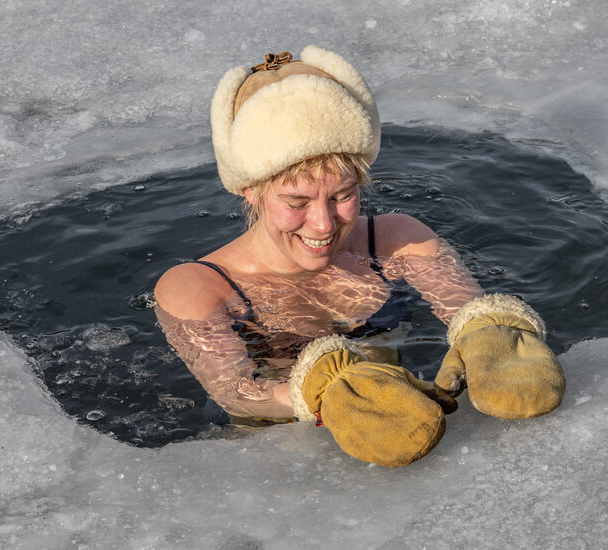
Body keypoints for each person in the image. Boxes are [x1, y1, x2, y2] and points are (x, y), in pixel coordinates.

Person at [153, 46, 565, 467]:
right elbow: (236, 394)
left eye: (342, 196)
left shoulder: (396, 241)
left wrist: (488, 333)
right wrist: (319, 390)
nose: (323, 224)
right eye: (296, 201)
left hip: (411, 424)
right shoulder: (197, 286)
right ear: (251, 191)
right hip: (277, 455)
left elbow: (468, 311)